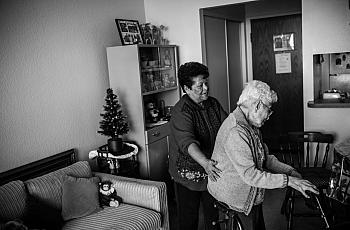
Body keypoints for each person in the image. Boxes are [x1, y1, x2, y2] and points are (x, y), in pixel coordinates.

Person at [207, 80, 319, 230]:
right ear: (258, 105)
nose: (269, 115)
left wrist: (291, 172)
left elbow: (265, 158)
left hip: (250, 191)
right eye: (269, 110)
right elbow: (251, 176)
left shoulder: (252, 126)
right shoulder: (236, 131)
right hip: (235, 194)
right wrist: (289, 181)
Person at [168, 62, 227, 230]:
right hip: (188, 173)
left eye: (206, 83)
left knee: (213, 214)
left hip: (210, 169)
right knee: (189, 218)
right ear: (186, 88)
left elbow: (228, 126)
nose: (206, 88)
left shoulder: (213, 104)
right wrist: (205, 163)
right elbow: (188, 143)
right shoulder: (181, 111)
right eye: (200, 85)